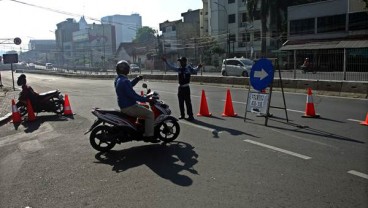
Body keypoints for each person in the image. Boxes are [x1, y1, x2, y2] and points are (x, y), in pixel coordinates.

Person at [114, 60, 158, 142]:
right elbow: (133, 96)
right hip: (129, 107)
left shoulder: (119, 79)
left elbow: (129, 86)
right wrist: (147, 99)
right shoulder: (124, 81)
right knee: (150, 114)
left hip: (124, 105)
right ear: (124, 69)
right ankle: (149, 135)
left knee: (145, 107)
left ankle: (141, 127)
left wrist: (137, 79)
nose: (129, 70)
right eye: (128, 68)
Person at [162, 56, 202, 121]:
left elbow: (194, 70)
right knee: (181, 102)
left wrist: (199, 67)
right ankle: (182, 115)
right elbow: (171, 67)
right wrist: (166, 62)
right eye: (179, 61)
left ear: (185, 62)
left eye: (181, 61)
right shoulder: (179, 69)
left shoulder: (188, 68)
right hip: (180, 88)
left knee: (188, 102)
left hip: (186, 88)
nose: (180, 62)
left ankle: (190, 115)